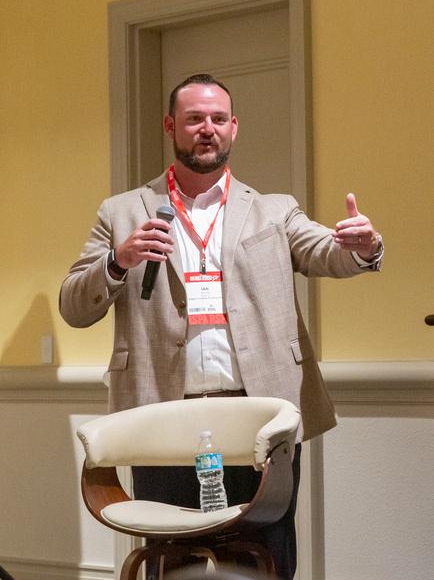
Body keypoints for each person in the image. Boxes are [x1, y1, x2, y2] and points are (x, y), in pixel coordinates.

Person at [59, 74, 383, 579]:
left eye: (217, 118)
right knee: (173, 559)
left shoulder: (275, 210)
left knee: (264, 553)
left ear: (234, 127)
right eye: (194, 118)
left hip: (259, 415)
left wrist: (363, 247)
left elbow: (326, 251)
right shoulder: (121, 212)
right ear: (171, 126)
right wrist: (118, 261)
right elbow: (75, 306)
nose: (206, 128)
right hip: (161, 416)